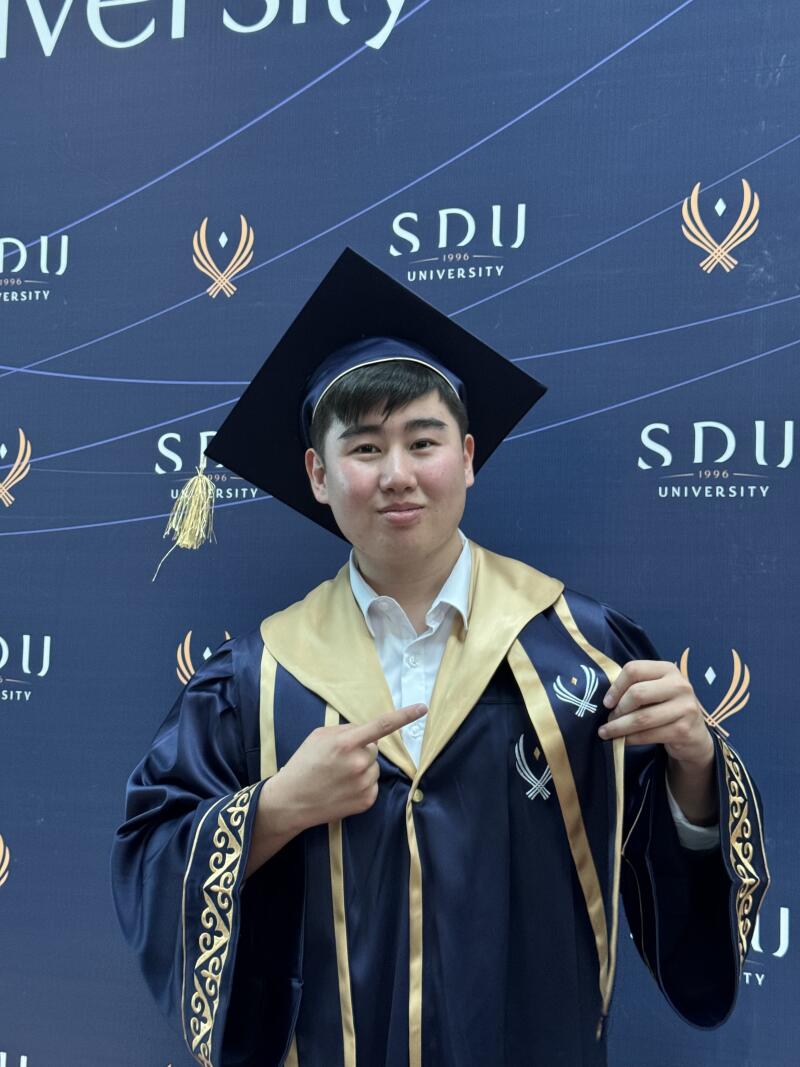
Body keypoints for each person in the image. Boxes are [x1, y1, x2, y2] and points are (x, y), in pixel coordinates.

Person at [111, 248, 769, 1067]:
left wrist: (696, 767)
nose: (396, 475)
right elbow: (151, 852)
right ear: (318, 474)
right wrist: (277, 807)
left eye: (423, 441)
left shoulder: (583, 651)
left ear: (467, 454)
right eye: (363, 449)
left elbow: (673, 888)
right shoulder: (258, 680)